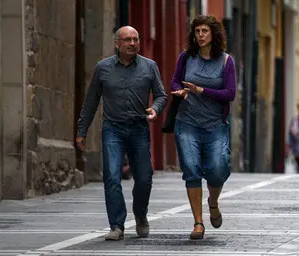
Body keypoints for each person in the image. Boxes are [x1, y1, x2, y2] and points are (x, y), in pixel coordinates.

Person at [75, 26, 167, 241]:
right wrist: (82, 131)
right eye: (127, 40)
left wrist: (156, 109)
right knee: (112, 177)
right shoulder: (103, 68)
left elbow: (162, 95)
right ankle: (117, 225)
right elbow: (90, 102)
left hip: (139, 129)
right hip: (113, 129)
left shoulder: (149, 67)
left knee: (144, 178)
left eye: (136, 39)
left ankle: (141, 214)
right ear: (117, 43)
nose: (133, 43)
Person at [170, 15, 237, 240]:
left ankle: (213, 202)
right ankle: (198, 222)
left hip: (215, 124)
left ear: (213, 34)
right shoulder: (186, 58)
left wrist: (201, 91)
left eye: (204, 31)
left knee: (218, 169)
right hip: (187, 122)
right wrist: (179, 91)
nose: (200, 35)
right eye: (197, 31)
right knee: (191, 168)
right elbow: (175, 81)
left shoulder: (226, 61)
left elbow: (230, 93)